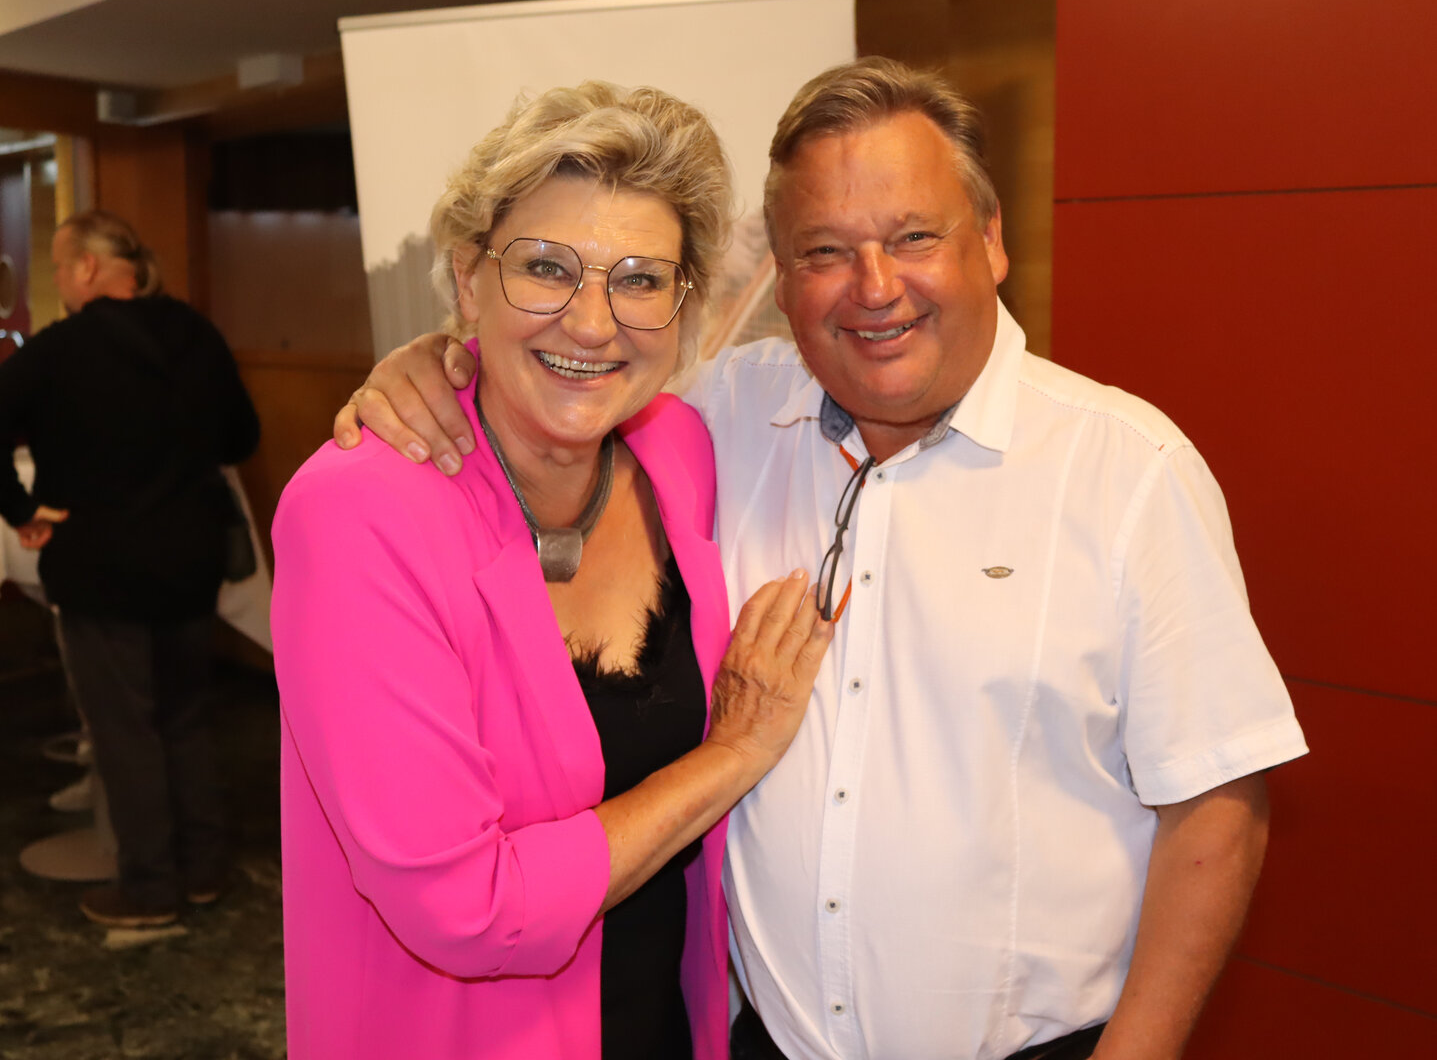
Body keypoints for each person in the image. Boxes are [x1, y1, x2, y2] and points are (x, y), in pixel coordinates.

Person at [335, 59, 1308, 1060]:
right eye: (825, 251)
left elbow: (1216, 805)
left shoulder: (1126, 471)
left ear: (989, 240)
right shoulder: (720, 421)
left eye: (913, 237)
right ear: (783, 278)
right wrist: (439, 362)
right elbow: (574, 365)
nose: (875, 288)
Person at [271, 82, 832, 1060]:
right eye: (544, 268)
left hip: (666, 1025)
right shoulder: (359, 513)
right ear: (467, 280)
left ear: (683, 307)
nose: (592, 322)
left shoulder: (680, 451)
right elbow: (468, 909)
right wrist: (736, 752)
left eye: (640, 280)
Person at [0, 209, 260, 926]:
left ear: (87, 267)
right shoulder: (196, 334)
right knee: (186, 719)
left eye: (60, 266)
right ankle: (204, 868)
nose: (60, 278)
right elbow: (241, 436)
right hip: (190, 560)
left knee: (124, 730)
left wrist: (21, 508)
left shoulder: (59, 350)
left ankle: (148, 891)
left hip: (101, 567)